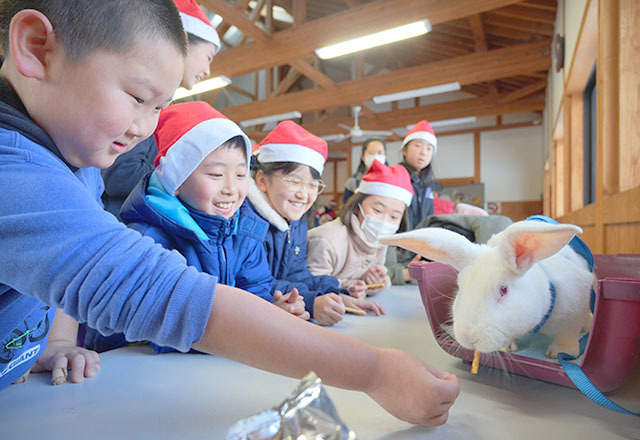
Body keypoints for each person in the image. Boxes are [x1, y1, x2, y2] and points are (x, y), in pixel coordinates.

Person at [0, 1, 459, 426]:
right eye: (138, 97)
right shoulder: (13, 172)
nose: (144, 129)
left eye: (159, 107)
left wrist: (49, 342)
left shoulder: (77, 162)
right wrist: (375, 371)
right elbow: (162, 295)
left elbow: (60, 279)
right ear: (37, 48)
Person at [84, 101, 308, 353]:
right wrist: (252, 328)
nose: (231, 188)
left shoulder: (246, 233)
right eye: (215, 175)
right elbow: (162, 328)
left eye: (240, 174)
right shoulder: (147, 240)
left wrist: (273, 313)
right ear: (176, 179)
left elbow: (256, 295)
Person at [247, 121, 384, 326]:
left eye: (313, 185)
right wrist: (312, 303)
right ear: (262, 180)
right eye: (294, 181)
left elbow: (296, 274)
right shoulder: (248, 223)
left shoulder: (295, 222)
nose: (304, 194)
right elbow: (255, 285)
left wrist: (337, 293)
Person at [101, 0, 221, 216]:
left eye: (158, 107)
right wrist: (183, 176)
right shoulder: (143, 102)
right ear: (180, 40)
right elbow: (119, 173)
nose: (207, 70)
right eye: (208, 57)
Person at [308, 160, 412, 297]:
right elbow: (310, 283)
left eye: (394, 217)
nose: (384, 222)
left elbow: (367, 281)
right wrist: (345, 287)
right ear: (358, 206)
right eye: (377, 210)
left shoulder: (380, 240)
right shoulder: (327, 241)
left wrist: (372, 282)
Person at [342, 138, 387, 203]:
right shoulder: (353, 182)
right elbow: (346, 208)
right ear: (363, 157)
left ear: (385, 156)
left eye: (379, 153)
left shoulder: (394, 179)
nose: (376, 156)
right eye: (371, 153)